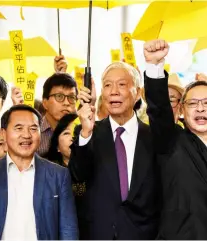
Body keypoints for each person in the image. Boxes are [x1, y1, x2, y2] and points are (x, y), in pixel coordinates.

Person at [144, 40, 207, 239]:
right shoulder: (172, 142)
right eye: (192, 103)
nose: (200, 108)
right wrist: (155, 66)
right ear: (182, 110)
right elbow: (159, 111)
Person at [69, 62, 160, 239]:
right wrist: (86, 130)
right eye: (108, 85)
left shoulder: (153, 138)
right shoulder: (88, 133)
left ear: (138, 93)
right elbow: (78, 176)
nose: (114, 91)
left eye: (122, 85)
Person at [0, 104, 78, 239]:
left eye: (33, 129)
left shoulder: (58, 175)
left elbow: (68, 229)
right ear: (4, 134)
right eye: (19, 128)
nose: (26, 135)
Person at [45, 113, 88, 238]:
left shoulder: (97, 167)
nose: (73, 136)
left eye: (77, 130)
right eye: (66, 133)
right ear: (57, 146)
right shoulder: (49, 172)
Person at [39, 73, 78, 156]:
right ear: (45, 103)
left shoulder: (82, 131)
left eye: (71, 97)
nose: (66, 103)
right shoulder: (34, 132)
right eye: (59, 96)